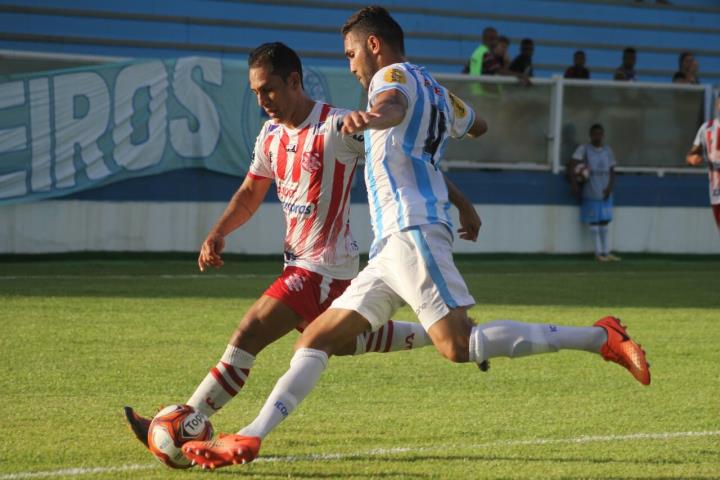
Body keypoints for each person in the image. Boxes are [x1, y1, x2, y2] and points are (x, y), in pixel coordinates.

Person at [182, 7, 650, 469]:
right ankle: (248, 438)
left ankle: (599, 337)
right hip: (390, 244)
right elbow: (478, 125)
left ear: (373, 44)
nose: (351, 67)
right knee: (317, 340)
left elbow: (392, 106)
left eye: (350, 55)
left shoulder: (389, 79)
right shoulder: (431, 86)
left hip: (412, 227)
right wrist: (444, 110)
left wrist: (374, 117)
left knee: (458, 346)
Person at [123, 42, 483, 452]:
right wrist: (219, 232)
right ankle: (451, 334)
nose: (263, 101)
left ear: (295, 81)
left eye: (270, 90)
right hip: (301, 265)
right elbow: (250, 192)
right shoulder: (271, 134)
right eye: (256, 93)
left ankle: (184, 422)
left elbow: (409, 160)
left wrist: (464, 205)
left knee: (249, 332)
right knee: (346, 342)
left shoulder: (340, 126)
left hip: (324, 269)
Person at [569, 124, 620, 262]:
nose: (597, 136)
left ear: (603, 135)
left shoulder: (608, 150)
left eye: (600, 134)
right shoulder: (584, 149)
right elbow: (573, 164)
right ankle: (598, 253)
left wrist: (610, 187)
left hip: (605, 191)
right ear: (590, 135)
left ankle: (606, 252)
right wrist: (574, 183)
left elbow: (612, 170)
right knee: (594, 223)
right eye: (595, 134)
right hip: (590, 191)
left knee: (604, 222)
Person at [686, 96, 720, 230]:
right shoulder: (706, 128)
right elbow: (691, 154)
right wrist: (692, 159)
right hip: (716, 193)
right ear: (718, 105)